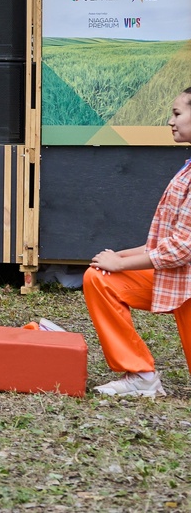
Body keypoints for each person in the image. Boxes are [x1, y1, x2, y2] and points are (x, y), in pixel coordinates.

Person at [83, 89, 191, 397]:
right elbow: (167, 242)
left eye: (178, 113)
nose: (171, 121)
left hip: (184, 277)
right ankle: (141, 375)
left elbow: (182, 249)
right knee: (100, 278)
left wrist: (121, 263)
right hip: (179, 278)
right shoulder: (186, 168)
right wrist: (121, 257)